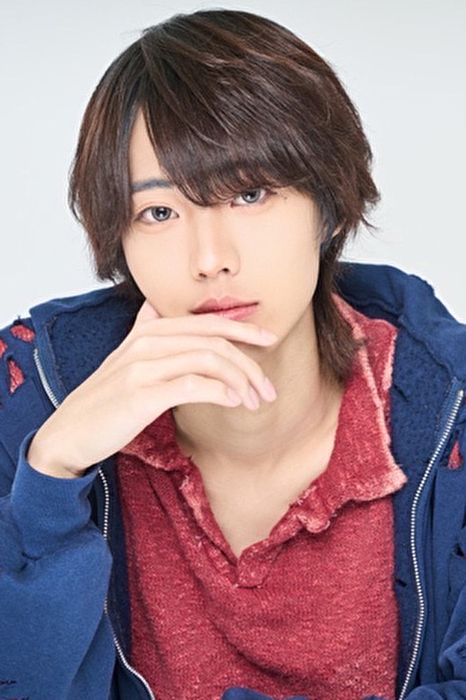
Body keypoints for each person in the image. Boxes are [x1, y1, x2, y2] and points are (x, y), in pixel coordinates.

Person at [1, 8, 465, 700]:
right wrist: (52, 469)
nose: (210, 259)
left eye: (249, 194)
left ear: (328, 205)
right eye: (159, 212)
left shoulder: (449, 410)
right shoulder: (30, 389)